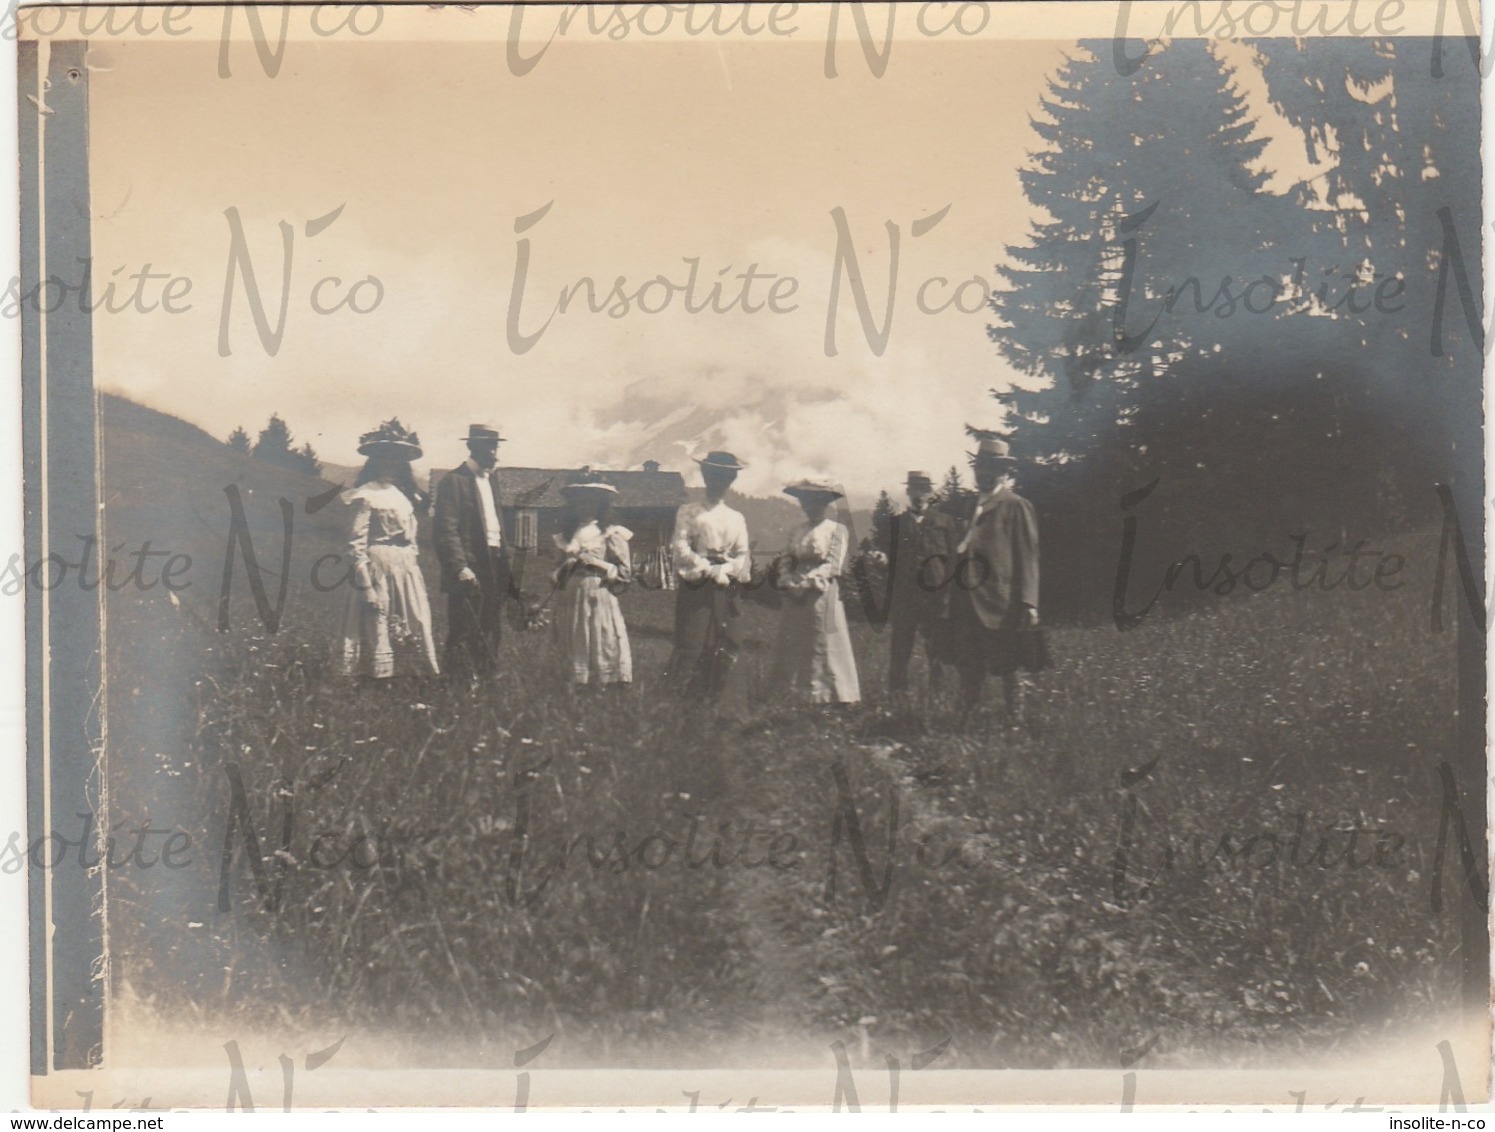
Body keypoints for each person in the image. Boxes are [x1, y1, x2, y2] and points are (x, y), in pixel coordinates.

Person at [338, 419, 440, 680]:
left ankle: (411, 677)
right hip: (378, 569)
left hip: (405, 571)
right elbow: (354, 545)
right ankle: (375, 680)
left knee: (413, 619)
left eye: (397, 459)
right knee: (377, 621)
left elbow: (412, 539)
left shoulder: (403, 495)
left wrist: (411, 567)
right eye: (385, 458)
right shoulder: (365, 495)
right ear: (374, 461)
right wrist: (367, 587)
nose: (391, 464)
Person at [950, 437, 1041, 721]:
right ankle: (962, 721)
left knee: (1009, 665)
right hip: (966, 598)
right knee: (968, 663)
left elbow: (1028, 556)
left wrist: (1029, 602)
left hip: (1001, 601)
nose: (984, 474)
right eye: (981, 467)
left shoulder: (1016, 505)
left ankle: (1016, 721)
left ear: (1004, 472)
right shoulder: (966, 506)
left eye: (992, 468)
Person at [433, 423, 522, 681]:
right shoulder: (454, 481)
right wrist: (460, 567)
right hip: (470, 566)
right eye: (486, 447)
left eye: (494, 446)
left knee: (491, 625)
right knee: (463, 625)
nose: (493, 453)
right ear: (472, 447)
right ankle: (456, 685)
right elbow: (445, 530)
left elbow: (495, 526)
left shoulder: (491, 480)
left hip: (495, 563)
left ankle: (486, 680)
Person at [665, 451, 751, 701]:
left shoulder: (736, 517)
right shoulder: (688, 512)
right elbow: (680, 547)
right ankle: (684, 703)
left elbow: (743, 553)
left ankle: (724, 704)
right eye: (713, 476)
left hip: (727, 586)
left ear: (731, 480)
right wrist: (708, 568)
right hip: (697, 584)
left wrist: (727, 569)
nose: (718, 482)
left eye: (724, 477)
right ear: (705, 476)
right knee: (692, 642)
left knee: (728, 642)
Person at [771, 480, 860, 705]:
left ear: (825, 504)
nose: (810, 507)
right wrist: (789, 580)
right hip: (795, 591)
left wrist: (807, 582)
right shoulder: (796, 530)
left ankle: (829, 696)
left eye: (815, 503)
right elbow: (786, 559)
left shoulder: (837, 530)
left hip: (822, 591)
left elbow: (833, 564)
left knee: (822, 642)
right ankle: (791, 694)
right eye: (806, 503)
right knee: (794, 639)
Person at [880, 470, 959, 697]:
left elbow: (954, 560)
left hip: (935, 595)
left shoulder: (944, 522)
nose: (919, 494)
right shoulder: (895, 524)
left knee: (937, 648)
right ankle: (897, 695)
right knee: (900, 648)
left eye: (923, 489)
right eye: (914, 489)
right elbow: (887, 556)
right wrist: (882, 560)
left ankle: (938, 697)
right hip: (905, 596)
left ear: (930, 492)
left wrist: (948, 594)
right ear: (907, 492)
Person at [551, 477, 633, 689]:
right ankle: (576, 683)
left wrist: (598, 563)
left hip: (599, 594)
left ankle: (604, 682)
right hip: (571, 596)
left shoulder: (610, 533)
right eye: (580, 502)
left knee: (600, 636)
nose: (585, 507)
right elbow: (553, 578)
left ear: (600, 505)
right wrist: (564, 567)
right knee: (574, 638)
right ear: (573, 504)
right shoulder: (565, 536)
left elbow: (624, 573)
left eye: (591, 502)